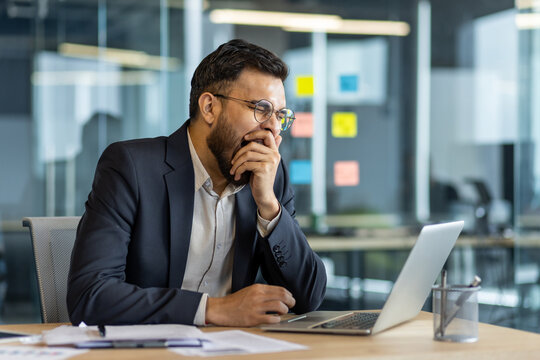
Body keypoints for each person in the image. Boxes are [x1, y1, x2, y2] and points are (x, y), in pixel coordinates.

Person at [67, 39, 327, 327]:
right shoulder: (132, 168)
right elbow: (90, 297)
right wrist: (213, 310)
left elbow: (308, 296)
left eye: (280, 116)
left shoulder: (270, 179)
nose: (274, 128)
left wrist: (269, 207)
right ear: (209, 107)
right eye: (262, 109)